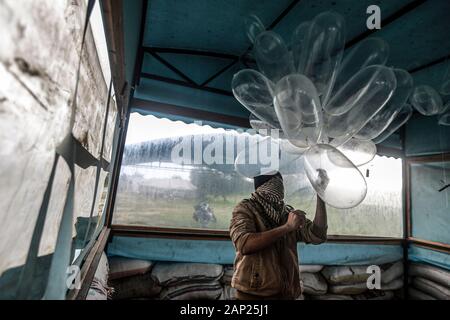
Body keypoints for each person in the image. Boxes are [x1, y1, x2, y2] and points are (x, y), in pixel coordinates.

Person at [229, 171, 329, 300]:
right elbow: (244, 245)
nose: (277, 189)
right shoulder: (245, 209)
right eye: (273, 184)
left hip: (286, 293)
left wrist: (320, 194)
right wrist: (287, 227)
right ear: (261, 187)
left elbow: (318, 236)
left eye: (279, 184)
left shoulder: (287, 213)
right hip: (253, 294)